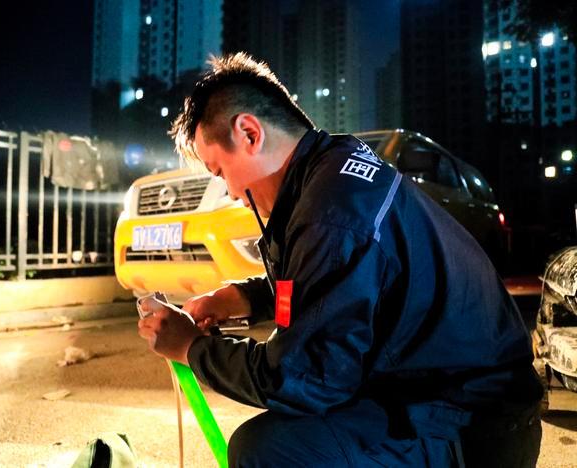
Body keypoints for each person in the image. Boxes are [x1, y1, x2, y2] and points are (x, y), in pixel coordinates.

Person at [138, 52, 543, 467]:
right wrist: (242, 299)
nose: (232, 193)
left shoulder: (332, 212)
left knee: (267, 449)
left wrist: (192, 347)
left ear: (249, 133)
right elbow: (336, 286)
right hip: (460, 399)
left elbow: (302, 378)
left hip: (471, 426)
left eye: (221, 171)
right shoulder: (336, 168)